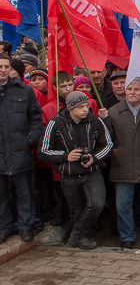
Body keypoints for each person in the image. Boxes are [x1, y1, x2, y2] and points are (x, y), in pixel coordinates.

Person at [38, 91, 113, 250]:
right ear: (71, 108)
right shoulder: (55, 123)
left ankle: (77, 235)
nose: (85, 109)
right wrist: (66, 156)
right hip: (69, 174)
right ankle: (83, 236)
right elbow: (43, 151)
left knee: (96, 204)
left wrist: (94, 158)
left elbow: (107, 144)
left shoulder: (96, 121)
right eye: (80, 107)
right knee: (76, 210)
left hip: (92, 172)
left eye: (86, 105)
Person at [107, 78, 140, 249]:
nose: (131, 92)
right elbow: (108, 139)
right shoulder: (113, 112)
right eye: (129, 88)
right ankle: (127, 236)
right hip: (123, 167)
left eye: (136, 89)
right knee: (122, 205)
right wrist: (117, 153)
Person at [0, 54, 44, 243]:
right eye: (0, 66)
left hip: (20, 150)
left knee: (25, 192)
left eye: (6, 66)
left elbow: (36, 118)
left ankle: (26, 226)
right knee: (1, 195)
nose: (3, 70)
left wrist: (29, 140)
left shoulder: (24, 90)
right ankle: (4, 226)